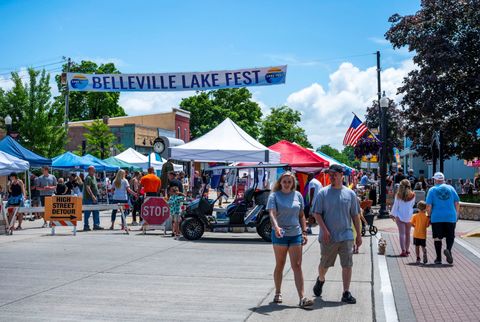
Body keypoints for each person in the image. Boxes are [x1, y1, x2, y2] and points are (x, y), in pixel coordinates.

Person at [311, 164, 362, 304]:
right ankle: (320, 280)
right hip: (329, 237)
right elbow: (317, 213)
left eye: (334, 174)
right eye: (330, 174)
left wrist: (359, 234)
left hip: (346, 236)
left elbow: (355, 215)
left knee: (347, 264)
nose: (331, 176)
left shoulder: (350, 194)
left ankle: (346, 292)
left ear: (341, 175)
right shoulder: (323, 193)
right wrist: (325, 230)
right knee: (324, 264)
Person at [266, 171, 313, 308]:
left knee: (297, 266)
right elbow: (272, 213)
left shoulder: (298, 195)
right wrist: (276, 227)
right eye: (284, 181)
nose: (287, 184)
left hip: (295, 234)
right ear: (280, 182)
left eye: (289, 182)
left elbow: (301, 215)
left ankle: (302, 297)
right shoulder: (274, 196)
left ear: (293, 183)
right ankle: (278, 292)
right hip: (280, 234)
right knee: (280, 264)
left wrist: (304, 231)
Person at [426, 172, 460, 265]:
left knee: (437, 238)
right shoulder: (451, 188)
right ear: (443, 180)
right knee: (450, 236)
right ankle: (448, 249)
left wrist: (429, 215)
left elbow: (428, 205)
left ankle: (438, 258)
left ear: (435, 180)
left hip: (437, 217)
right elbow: (457, 203)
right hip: (450, 216)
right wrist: (456, 215)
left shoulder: (432, 190)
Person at [390, 179, 416, 257]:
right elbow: (412, 205)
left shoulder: (398, 195)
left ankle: (403, 250)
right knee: (408, 233)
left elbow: (395, 206)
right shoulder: (413, 195)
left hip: (399, 215)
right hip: (409, 216)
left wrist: (392, 214)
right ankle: (407, 249)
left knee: (402, 233)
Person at [83, 166, 104, 231]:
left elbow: (93, 186)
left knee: (96, 211)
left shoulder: (94, 177)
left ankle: (96, 225)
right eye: (93, 169)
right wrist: (93, 196)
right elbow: (88, 188)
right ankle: (86, 226)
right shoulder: (88, 177)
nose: (95, 170)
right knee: (87, 212)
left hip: (95, 197)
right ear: (89, 170)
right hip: (89, 198)